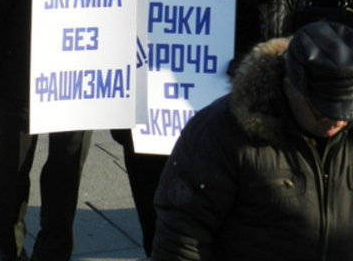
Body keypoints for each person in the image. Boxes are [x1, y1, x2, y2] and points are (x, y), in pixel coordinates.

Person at [0, 0, 143, 260]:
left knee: (68, 167)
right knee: (10, 169)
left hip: (85, 81)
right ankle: (9, 248)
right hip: (21, 77)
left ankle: (54, 250)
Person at [151, 20, 353, 261]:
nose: (336, 122)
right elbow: (182, 234)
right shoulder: (220, 131)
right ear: (290, 87)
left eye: (346, 113)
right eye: (321, 111)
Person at [111, 0, 235, 257]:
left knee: (193, 209)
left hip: (193, 115)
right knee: (148, 204)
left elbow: (239, 18)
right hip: (141, 116)